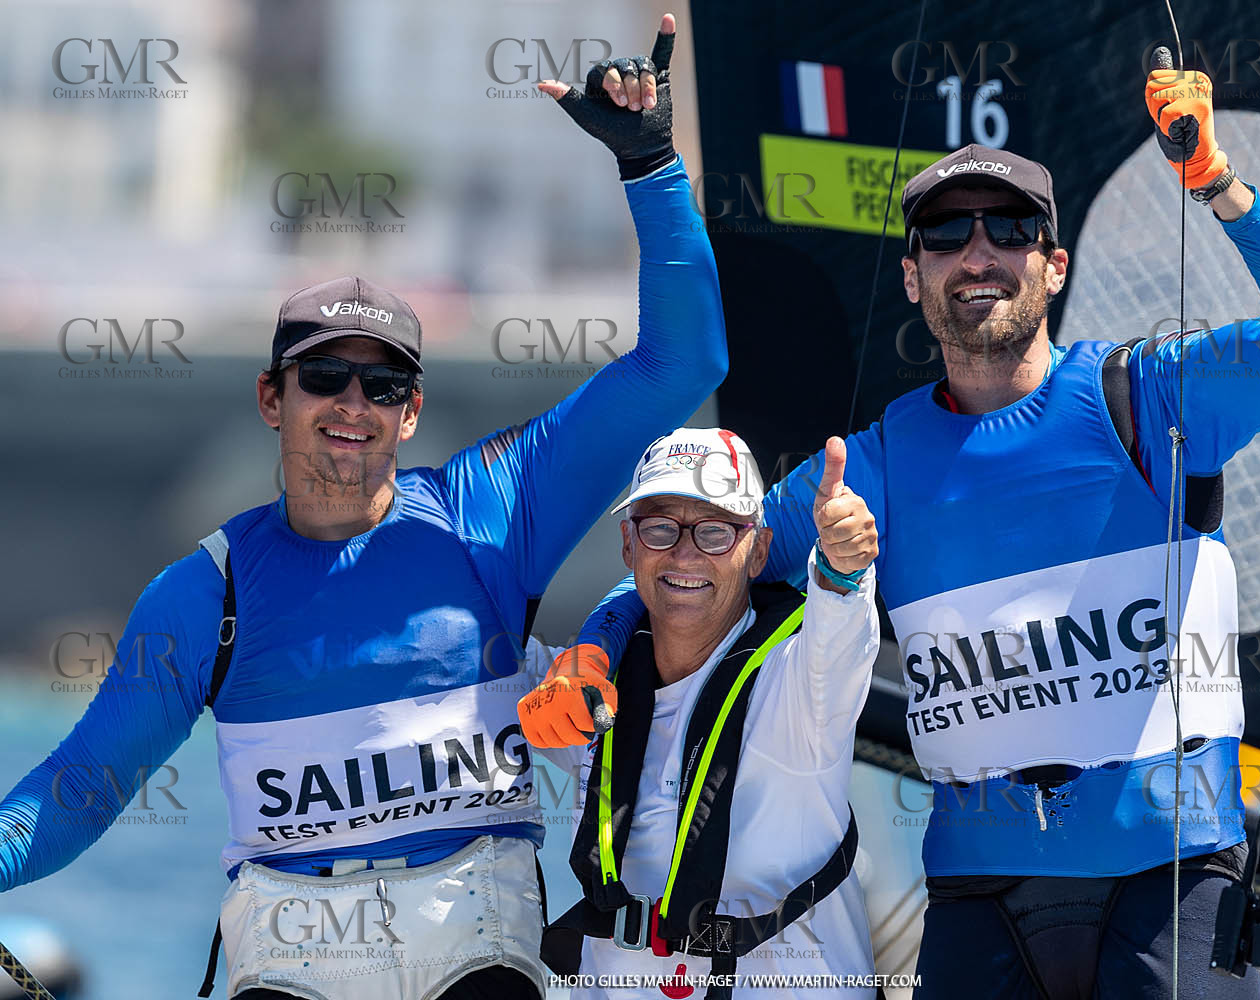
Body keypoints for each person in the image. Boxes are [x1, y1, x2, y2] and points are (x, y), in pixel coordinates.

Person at [556, 65, 1260, 998]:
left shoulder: (1149, 395)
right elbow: (692, 563)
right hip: (979, 894)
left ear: (1054, 265)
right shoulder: (867, 466)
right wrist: (593, 644)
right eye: (946, 235)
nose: (979, 253)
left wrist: (1215, 182)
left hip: (1172, 878)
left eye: (1012, 229)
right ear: (913, 277)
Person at [0, 15, 726, 999]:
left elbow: (683, 362)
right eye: (326, 378)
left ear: (413, 411)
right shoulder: (201, 594)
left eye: (383, 387)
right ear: (272, 398)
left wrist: (648, 163)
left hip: (474, 938)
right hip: (292, 957)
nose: (354, 405)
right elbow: (78, 790)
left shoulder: (492, 512)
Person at [518, 428, 881, 999]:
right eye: (660, 528)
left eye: (715, 532)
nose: (684, 554)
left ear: (758, 549)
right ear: (628, 545)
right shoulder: (588, 689)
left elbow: (841, 633)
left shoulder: (802, 681)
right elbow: (452, 658)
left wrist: (842, 569)